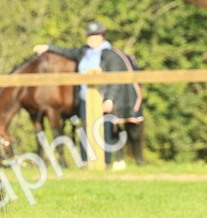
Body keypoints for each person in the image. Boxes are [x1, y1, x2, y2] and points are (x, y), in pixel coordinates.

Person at [33, 21, 143, 167]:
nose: (92, 38)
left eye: (96, 35)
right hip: (85, 98)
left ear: (102, 37)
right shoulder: (84, 52)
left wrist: (110, 99)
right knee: (85, 129)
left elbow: (115, 80)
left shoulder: (111, 55)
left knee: (105, 129)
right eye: (90, 36)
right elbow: (66, 51)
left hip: (103, 98)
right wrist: (48, 47)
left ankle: (106, 161)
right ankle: (86, 161)